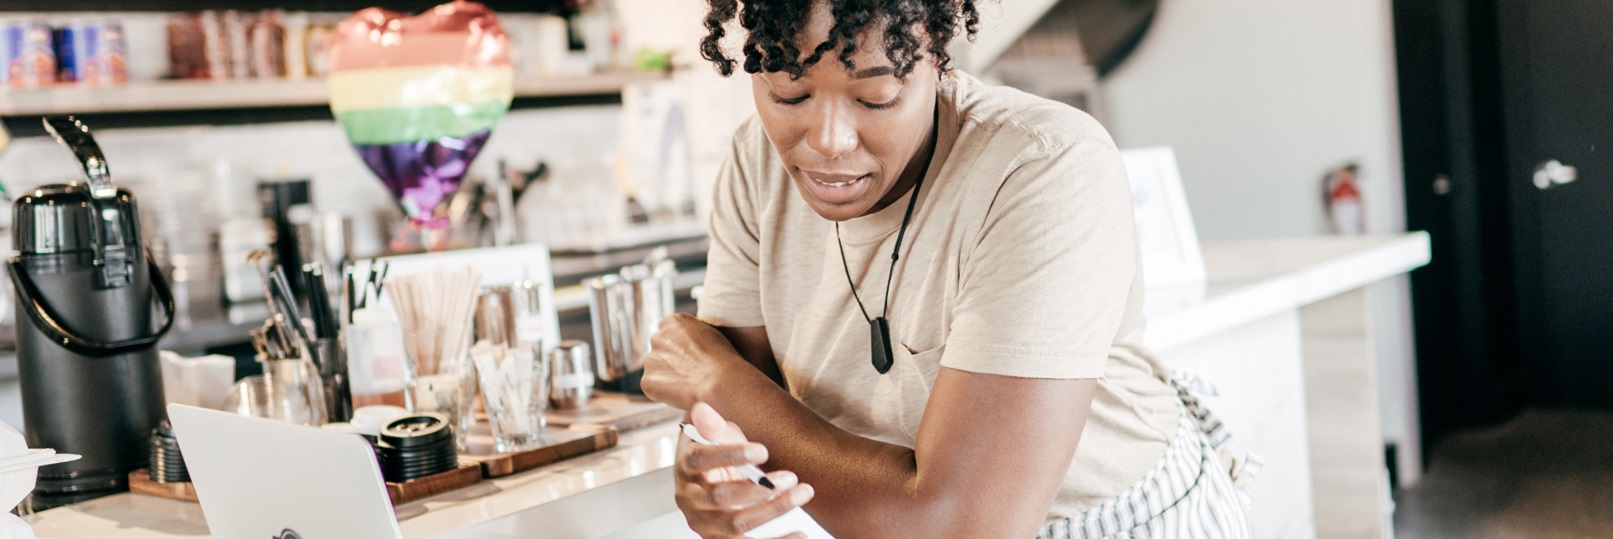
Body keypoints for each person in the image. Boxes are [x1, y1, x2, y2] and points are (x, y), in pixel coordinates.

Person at [641, 1, 1254, 537]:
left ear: (937, 57)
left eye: (875, 96)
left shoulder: (1044, 165)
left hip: (1111, 523)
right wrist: (714, 475)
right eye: (787, 93)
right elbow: (739, 432)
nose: (827, 140)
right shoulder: (755, 163)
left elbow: (962, 526)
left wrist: (715, 383)